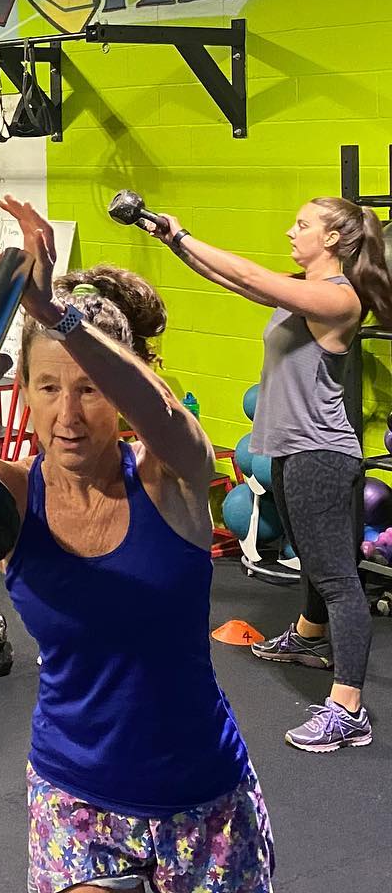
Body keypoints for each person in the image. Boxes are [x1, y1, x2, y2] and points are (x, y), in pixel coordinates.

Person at [0, 197, 274, 893]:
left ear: (120, 395)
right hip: (75, 799)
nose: (68, 414)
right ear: (23, 391)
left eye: (89, 390)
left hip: (203, 801)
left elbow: (165, 415)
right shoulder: (11, 494)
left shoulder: (170, 477)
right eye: (48, 387)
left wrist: (55, 315)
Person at [143, 195, 392, 753]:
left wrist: (184, 238)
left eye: (302, 225)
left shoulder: (339, 298)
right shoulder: (304, 289)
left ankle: (348, 710)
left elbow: (253, 276)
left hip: (320, 455)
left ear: (332, 239)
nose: (290, 231)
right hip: (293, 450)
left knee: (338, 578)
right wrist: (173, 240)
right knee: (314, 558)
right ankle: (309, 637)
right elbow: (239, 282)